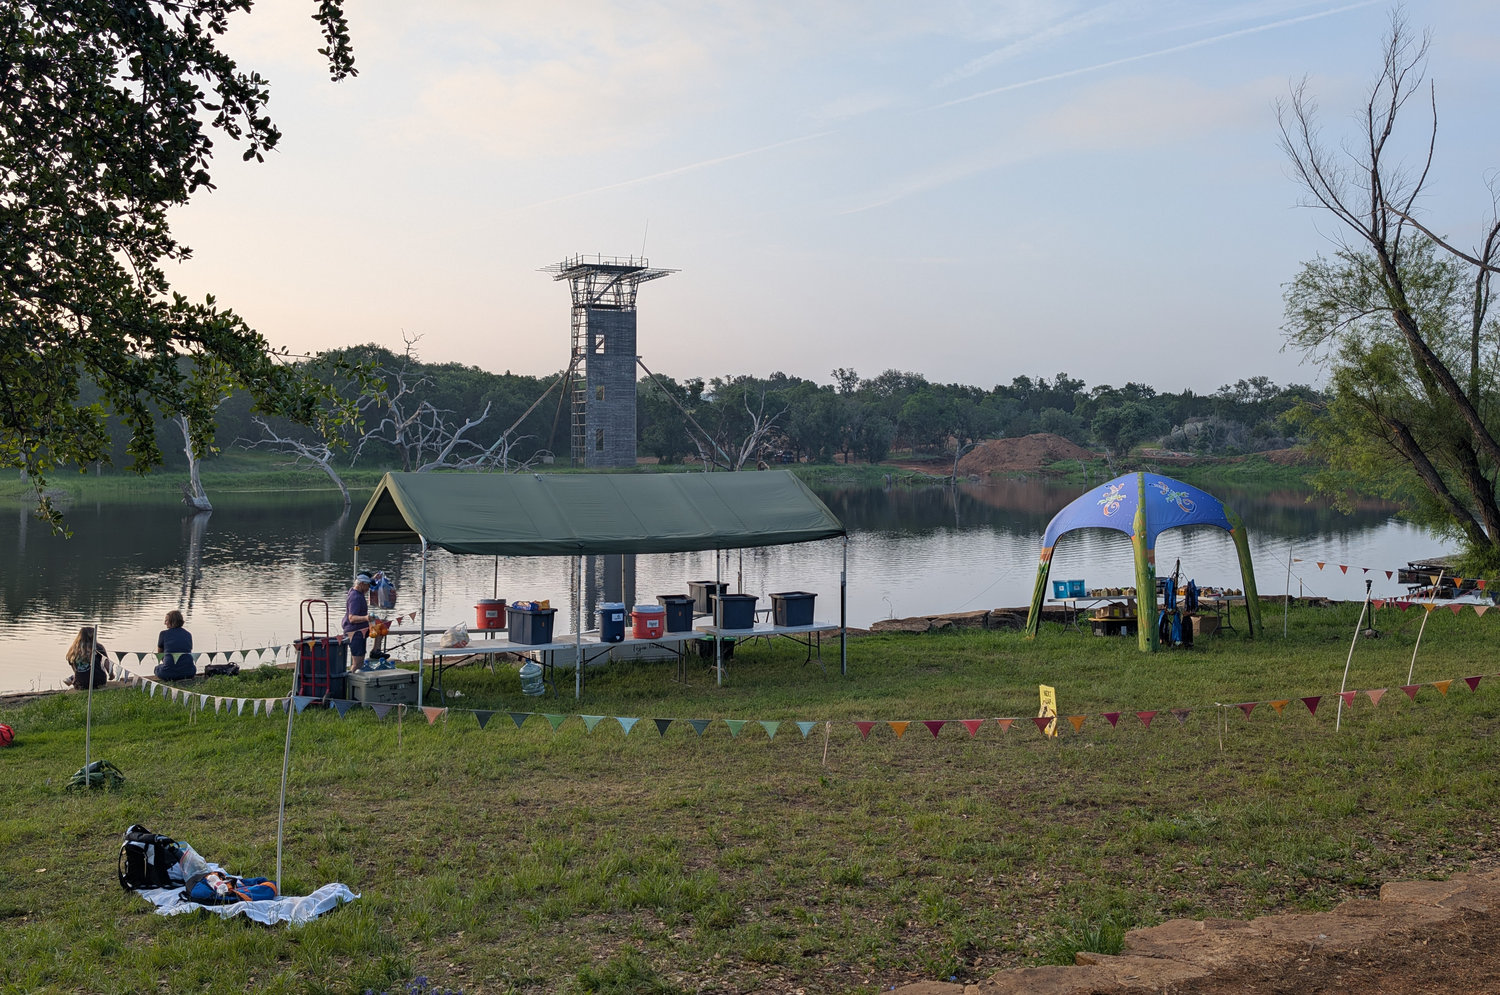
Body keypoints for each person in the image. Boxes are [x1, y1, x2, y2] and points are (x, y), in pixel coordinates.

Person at [154, 610, 196, 681]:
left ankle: (171, 672)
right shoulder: (188, 634)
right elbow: (188, 651)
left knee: (156, 668)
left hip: (167, 674)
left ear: (172, 621)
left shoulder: (163, 634)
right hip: (189, 673)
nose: (164, 623)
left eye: (166, 620)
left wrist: (167, 663)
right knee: (193, 667)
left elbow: (160, 654)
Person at [344, 572, 372, 672]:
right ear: (362, 584)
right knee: (357, 663)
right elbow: (352, 618)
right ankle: (351, 678)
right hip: (355, 632)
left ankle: (375, 651)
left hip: (360, 631)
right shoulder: (355, 597)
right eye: (368, 585)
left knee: (360, 662)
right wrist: (366, 618)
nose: (369, 588)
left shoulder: (355, 591)